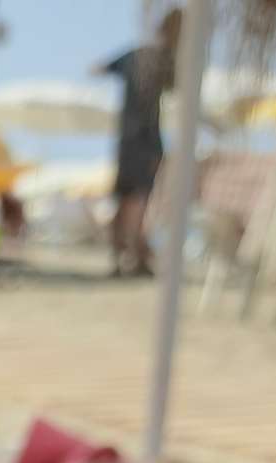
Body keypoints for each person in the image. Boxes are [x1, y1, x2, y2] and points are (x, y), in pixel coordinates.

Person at [97, 8, 183, 277]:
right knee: (137, 201)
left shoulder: (136, 54)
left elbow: (99, 68)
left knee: (124, 200)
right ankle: (133, 256)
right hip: (146, 141)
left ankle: (118, 258)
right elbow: (177, 86)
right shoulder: (167, 60)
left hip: (126, 139)